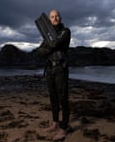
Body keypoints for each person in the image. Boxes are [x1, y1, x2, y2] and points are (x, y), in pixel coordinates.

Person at [37, 9, 71, 141]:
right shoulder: (47, 36)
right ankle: (55, 123)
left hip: (61, 69)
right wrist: (48, 47)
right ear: (50, 20)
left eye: (57, 16)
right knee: (53, 98)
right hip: (50, 69)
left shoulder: (65, 31)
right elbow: (39, 51)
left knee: (63, 98)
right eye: (52, 17)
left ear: (60, 18)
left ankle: (63, 129)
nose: (55, 18)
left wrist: (48, 46)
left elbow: (54, 43)